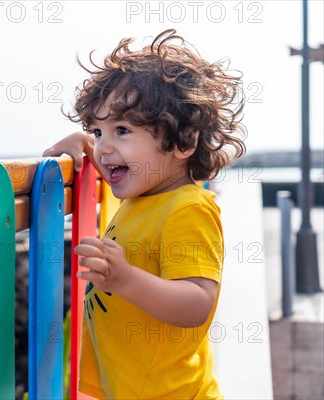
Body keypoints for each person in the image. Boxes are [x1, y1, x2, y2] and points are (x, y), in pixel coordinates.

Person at [43, 29, 246, 399]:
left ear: (183, 141)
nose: (105, 147)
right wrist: (83, 145)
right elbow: (116, 160)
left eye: (122, 130)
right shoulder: (144, 192)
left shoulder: (187, 209)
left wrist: (125, 280)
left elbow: (197, 303)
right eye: (97, 131)